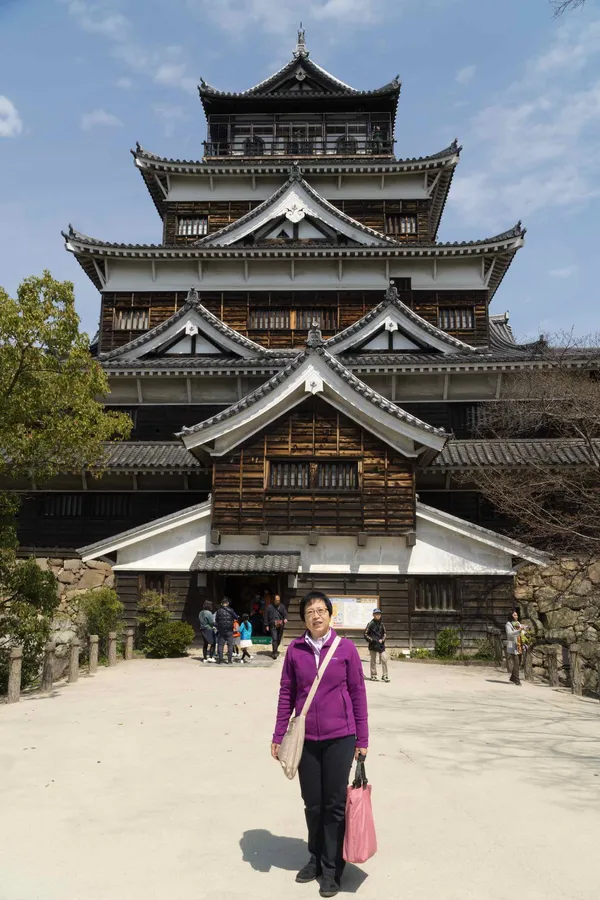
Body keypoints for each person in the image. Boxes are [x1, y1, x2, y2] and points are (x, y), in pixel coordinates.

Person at [271, 590, 368, 898]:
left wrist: (362, 738)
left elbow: (357, 693)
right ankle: (315, 857)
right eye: (310, 611)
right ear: (303, 618)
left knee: (335, 804)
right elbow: (287, 693)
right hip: (307, 741)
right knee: (312, 804)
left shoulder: (346, 649)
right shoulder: (295, 650)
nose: (316, 615)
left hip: (341, 736)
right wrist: (277, 735)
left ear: (330, 615)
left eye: (321, 610)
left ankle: (332, 868)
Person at [364, 608, 389, 683]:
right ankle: (373, 675)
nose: (378, 615)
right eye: (376, 614)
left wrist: (383, 639)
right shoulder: (370, 624)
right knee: (373, 660)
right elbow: (365, 634)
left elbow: (384, 633)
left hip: (381, 645)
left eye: (379, 614)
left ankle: (385, 675)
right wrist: (372, 640)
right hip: (373, 645)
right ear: (373, 615)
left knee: (384, 658)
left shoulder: (382, 624)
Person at [215, 597, 239, 665]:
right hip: (229, 630)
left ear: (221, 604)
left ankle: (220, 660)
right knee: (230, 645)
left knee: (220, 645)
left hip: (221, 630)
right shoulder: (231, 610)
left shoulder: (218, 611)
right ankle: (229, 660)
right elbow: (236, 617)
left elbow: (216, 620)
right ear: (227, 603)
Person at [506, 609, 528, 686]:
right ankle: (517, 680)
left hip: (519, 645)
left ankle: (512, 677)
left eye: (517, 615)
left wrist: (525, 630)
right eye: (514, 615)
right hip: (513, 645)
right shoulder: (508, 624)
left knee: (518, 663)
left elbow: (521, 632)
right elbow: (510, 634)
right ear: (511, 616)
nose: (516, 616)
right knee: (516, 663)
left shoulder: (518, 623)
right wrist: (519, 630)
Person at [266, 594, 288, 660]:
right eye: (276, 600)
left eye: (278, 600)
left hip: (280, 624)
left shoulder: (282, 606)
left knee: (278, 638)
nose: (277, 601)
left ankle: (275, 649)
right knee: (274, 638)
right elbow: (266, 616)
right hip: (272, 624)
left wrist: (285, 618)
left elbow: (285, 614)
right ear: (274, 600)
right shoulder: (269, 607)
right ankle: (274, 653)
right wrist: (266, 625)